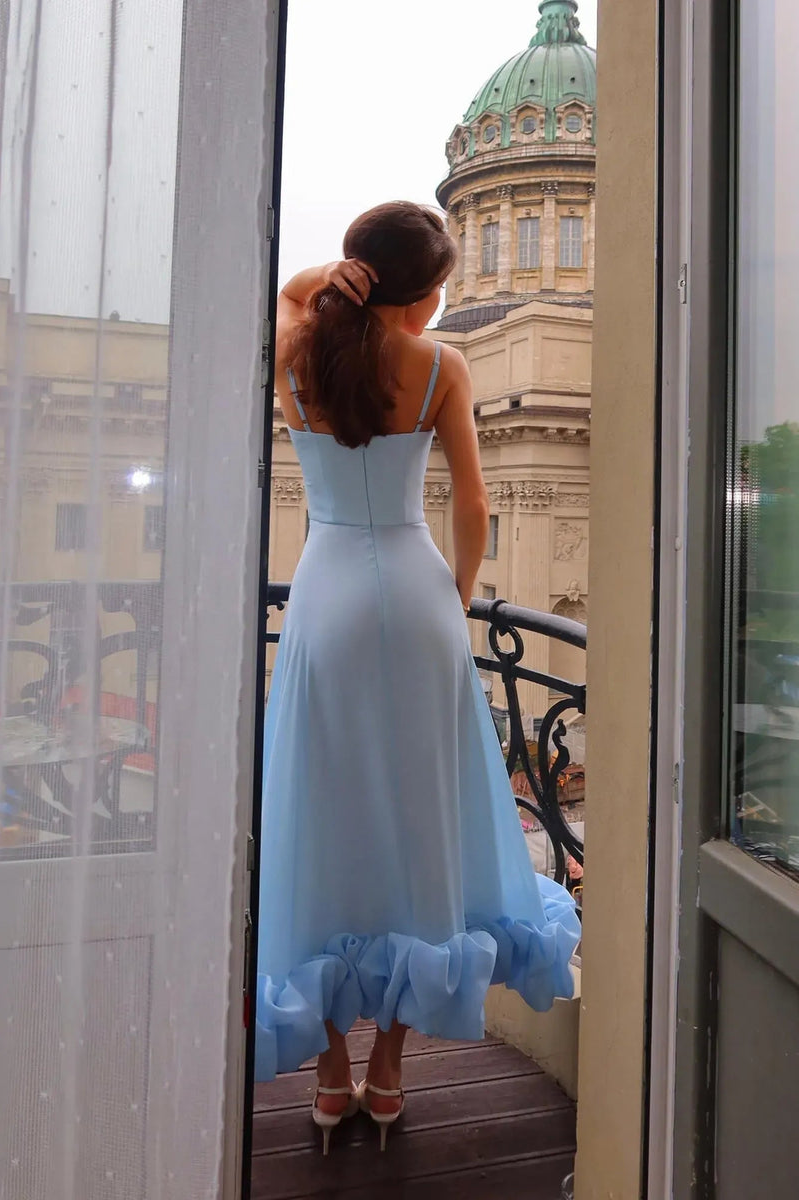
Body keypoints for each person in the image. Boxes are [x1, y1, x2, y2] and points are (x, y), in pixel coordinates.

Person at [255, 201, 580, 1154]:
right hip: (418, 593)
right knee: (418, 821)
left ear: (355, 274)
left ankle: (327, 1075)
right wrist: (462, 596)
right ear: (432, 297)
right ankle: (390, 1073)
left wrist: (325, 281)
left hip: (325, 597)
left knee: (322, 818)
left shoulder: (296, 356)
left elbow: (284, 296)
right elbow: (473, 503)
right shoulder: (443, 364)